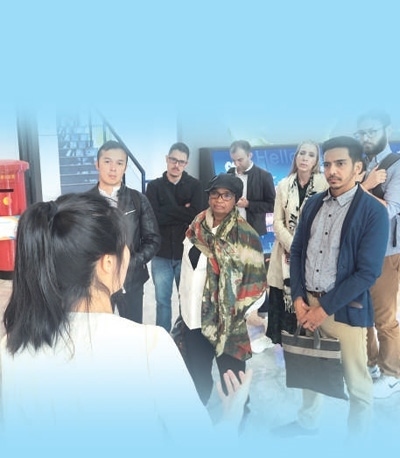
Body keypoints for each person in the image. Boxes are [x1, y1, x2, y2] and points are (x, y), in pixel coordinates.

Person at [0, 193, 252, 451]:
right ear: (107, 264)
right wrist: (231, 417)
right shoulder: (149, 346)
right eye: (126, 246)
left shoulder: (10, 347)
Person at [274, 136, 388, 438]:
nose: (332, 171)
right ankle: (307, 423)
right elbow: (298, 251)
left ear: (358, 167)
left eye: (340, 164)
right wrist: (299, 298)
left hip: (344, 309)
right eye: (327, 164)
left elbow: (368, 273)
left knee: (357, 382)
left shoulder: (373, 211)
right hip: (306, 303)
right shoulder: (313, 204)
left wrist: (322, 309)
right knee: (310, 368)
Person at [178, 173, 267, 409]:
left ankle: (238, 416)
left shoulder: (245, 236)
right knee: (196, 376)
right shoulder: (197, 225)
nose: (219, 200)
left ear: (236, 199)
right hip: (193, 318)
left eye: (226, 195)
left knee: (233, 379)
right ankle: (198, 416)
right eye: (215, 194)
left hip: (228, 323)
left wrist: (242, 312)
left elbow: (256, 280)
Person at [87, 140, 160, 323]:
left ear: (125, 167)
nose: (113, 168)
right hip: (97, 281)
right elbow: (79, 241)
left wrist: (129, 262)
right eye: (107, 161)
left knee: (133, 329)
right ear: (97, 164)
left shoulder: (137, 199)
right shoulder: (86, 202)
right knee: (100, 329)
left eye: (119, 163)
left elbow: (152, 239)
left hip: (131, 279)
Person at [355, 110, 400, 398]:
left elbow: (389, 211)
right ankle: (371, 363)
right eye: (362, 133)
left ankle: (392, 373)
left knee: (384, 318)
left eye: (371, 131)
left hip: (385, 252)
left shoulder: (396, 165)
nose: (366, 137)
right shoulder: (362, 164)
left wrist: (362, 189)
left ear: (387, 130)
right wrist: (364, 185)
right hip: (358, 253)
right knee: (363, 315)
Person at [266, 140, 328, 344]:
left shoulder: (324, 184)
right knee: (285, 314)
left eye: (311, 155)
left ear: (316, 161)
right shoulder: (284, 184)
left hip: (315, 254)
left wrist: (305, 248)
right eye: (302, 153)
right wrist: (294, 246)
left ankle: (309, 347)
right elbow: (277, 221)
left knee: (309, 304)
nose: (305, 158)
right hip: (285, 253)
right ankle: (290, 350)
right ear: (296, 157)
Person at [146, 142, 205, 332]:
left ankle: (182, 337)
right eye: (173, 160)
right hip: (161, 253)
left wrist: (167, 210)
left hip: (185, 253)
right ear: (167, 159)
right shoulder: (154, 187)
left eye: (181, 162)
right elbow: (153, 218)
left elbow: (196, 216)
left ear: (186, 163)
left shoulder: (195, 186)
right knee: (162, 300)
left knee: (185, 299)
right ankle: (162, 338)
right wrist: (183, 211)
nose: (176, 165)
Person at [228, 140, 276, 318]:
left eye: (240, 159)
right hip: (232, 231)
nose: (237, 164)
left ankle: (264, 309)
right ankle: (237, 310)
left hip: (254, 232)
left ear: (250, 155)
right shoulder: (229, 174)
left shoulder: (264, 176)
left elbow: (272, 204)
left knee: (256, 273)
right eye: (234, 160)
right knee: (234, 273)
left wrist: (249, 204)